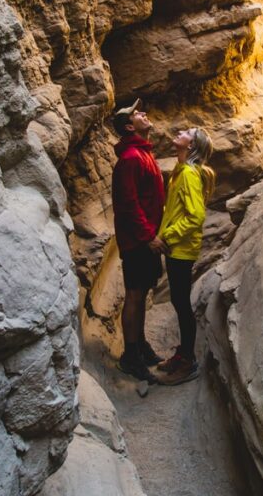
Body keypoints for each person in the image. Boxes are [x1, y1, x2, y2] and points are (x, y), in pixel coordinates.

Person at [150, 126, 215, 386]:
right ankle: (183, 355)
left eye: (187, 132)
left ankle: (187, 362)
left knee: (181, 304)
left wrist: (166, 237)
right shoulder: (182, 170)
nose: (179, 131)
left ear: (191, 146)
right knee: (179, 301)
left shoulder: (188, 173)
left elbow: (196, 216)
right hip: (178, 247)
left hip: (181, 249)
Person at [111, 98, 165, 382]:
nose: (143, 113)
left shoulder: (142, 154)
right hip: (138, 242)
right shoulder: (131, 159)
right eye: (137, 113)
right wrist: (148, 236)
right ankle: (130, 356)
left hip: (146, 239)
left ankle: (140, 345)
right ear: (130, 125)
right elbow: (128, 205)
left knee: (141, 292)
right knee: (134, 294)